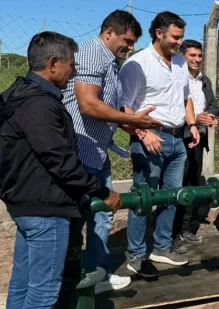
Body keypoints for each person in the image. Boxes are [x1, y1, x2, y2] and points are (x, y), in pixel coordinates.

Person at [0, 31, 121, 309]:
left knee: (23, 283)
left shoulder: (17, 96)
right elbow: (61, 162)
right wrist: (103, 191)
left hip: (24, 202)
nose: (74, 72)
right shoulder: (39, 105)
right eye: (72, 65)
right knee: (43, 292)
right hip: (46, 208)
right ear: (54, 63)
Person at [62, 9, 161, 294]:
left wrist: (133, 126)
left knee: (102, 215)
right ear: (108, 33)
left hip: (96, 151)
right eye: (127, 41)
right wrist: (133, 120)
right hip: (81, 152)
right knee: (76, 221)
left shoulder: (111, 61)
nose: (130, 48)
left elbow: (106, 110)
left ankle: (98, 275)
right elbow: (88, 105)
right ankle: (70, 285)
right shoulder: (94, 55)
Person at [118, 11, 199, 278]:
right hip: (150, 139)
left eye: (181, 37)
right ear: (159, 33)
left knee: (172, 197)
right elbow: (124, 106)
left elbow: (186, 98)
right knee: (144, 198)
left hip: (177, 139)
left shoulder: (179, 64)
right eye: (175, 37)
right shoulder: (137, 64)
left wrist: (192, 125)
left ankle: (162, 247)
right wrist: (142, 133)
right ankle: (137, 254)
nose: (179, 43)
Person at [172, 40, 218, 251]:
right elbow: (172, 109)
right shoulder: (175, 78)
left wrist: (209, 117)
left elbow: (213, 104)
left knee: (192, 183)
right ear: (182, 56)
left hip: (197, 140)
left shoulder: (204, 80)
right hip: (179, 138)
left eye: (200, 55)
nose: (197, 59)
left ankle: (186, 229)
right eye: (193, 55)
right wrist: (194, 119)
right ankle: (171, 233)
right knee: (176, 184)